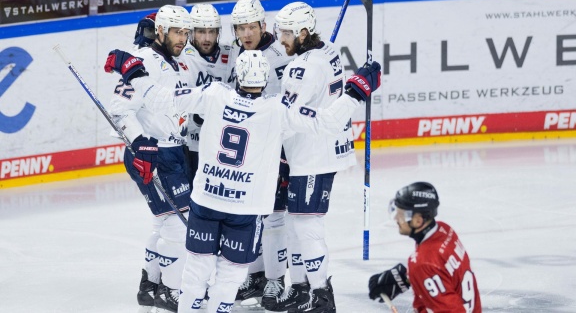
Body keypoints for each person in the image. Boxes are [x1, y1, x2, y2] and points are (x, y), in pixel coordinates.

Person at [103, 48, 381, 313]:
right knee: (229, 277)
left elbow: (159, 99)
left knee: (196, 273)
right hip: (246, 210)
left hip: (207, 201)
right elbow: (329, 121)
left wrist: (134, 70)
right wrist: (356, 91)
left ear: (236, 75)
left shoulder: (213, 95)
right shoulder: (278, 109)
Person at [263, 2, 362, 313]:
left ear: (304, 32)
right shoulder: (329, 50)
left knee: (307, 228)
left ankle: (321, 296)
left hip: (312, 157)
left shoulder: (301, 68)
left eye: (287, 34)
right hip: (320, 150)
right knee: (298, 224)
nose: (281, 40)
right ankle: (306, 289)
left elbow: (286, 116)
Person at [108, 4, 193, 313]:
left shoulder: (181, 63)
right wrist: (140, 142)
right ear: (161, 31)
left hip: (173, 151)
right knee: (178, 226)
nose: (182, 38)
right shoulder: (144, 61)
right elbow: (118, 109)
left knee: (165, 223)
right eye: (176, 32)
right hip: (151, 153)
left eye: (185, 32)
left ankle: (149, 287)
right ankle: (171, 292)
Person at [226, 0, 295, 306]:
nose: (246, 33)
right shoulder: (235, 54)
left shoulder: (281, 55)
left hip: (277, 149)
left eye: (251, 26)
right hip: (248, 150)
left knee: (275, 218)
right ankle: (255, 276)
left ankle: (276, 280)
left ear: (263, 26)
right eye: (241, 27)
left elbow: (293, 104)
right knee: (248, 215)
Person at [368, 182, 482, 312]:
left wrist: (418, 272)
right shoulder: (444, 230)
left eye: (401, 215)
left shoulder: (423, 262)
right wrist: (407, 277)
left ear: (418, 220)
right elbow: (442, 270)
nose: (397, 220)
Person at [181, 3, 230, 190]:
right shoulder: (180, 58)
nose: (207, 38)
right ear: (192, 32)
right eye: (201, 32)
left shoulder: (231, 54)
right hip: (191, 148)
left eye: (212, 32)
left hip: (222, 149)